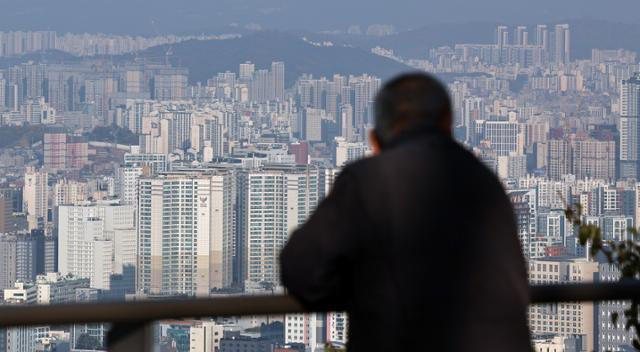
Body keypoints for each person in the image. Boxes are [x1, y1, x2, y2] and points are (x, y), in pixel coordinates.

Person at [280, 73, 531, 351]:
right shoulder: (484, 179)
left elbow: (301, 270)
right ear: (448, 122)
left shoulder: (370, 179)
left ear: (375, 140)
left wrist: (360, 286)